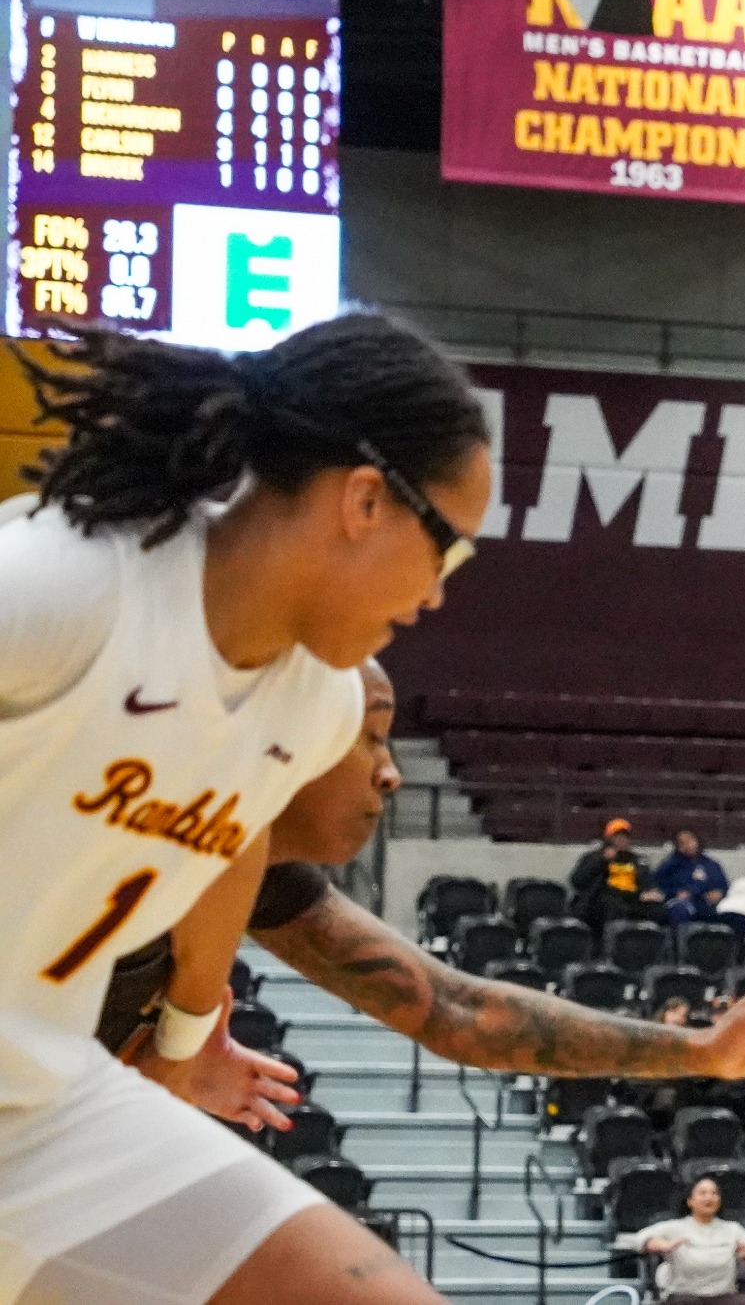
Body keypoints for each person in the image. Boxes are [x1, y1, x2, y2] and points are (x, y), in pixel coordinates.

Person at [0, 314, 496, 1303]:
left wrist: (185, 1037)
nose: (439, 595)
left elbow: (234, 838)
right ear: (364, 501)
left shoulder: (320, 701)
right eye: (448, 552)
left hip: (42, 1105)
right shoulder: (65, 583)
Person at [95, 661, 745, 1134]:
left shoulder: (258, 869)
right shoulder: (118, 828)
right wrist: (164, 1058)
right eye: (373, 739)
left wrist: (705, 1050)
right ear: (295, 738)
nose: (392, 774)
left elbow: (455, 1008)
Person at [639, 1176, 745, 1304]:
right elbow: (638, 1239)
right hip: (684, 1295)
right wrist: (660, 1245)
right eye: (702, 1193)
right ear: (690, 1201)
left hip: (723, 1295)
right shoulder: (674, 1227)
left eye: (714, 1193)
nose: (709, 1198)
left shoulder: (733, 1229)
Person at [568, 818, 664, 930]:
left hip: (634, 899)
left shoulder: (639, 861)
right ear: (608, 839)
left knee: (658, 911)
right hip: (603, 901)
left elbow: (648, 883)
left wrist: (651, 892)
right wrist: (601, 860)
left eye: (625, 837)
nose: (622, 840)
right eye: (617, 837)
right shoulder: (594, 857)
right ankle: (612, 943)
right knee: (614, 906)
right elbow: (577, 881)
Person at [657, 828, 733, 928]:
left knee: (738, 916)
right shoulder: (669, 866)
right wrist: (676, 893)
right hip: (684, 905)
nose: (687, 845)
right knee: (678, 910)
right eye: (682, 843)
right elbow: (658, 888)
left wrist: (720, 893)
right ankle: (679, 943)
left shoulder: (712, 865)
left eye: (690, 840)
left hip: (708, 906)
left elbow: (723, 886)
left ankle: (738, 943)